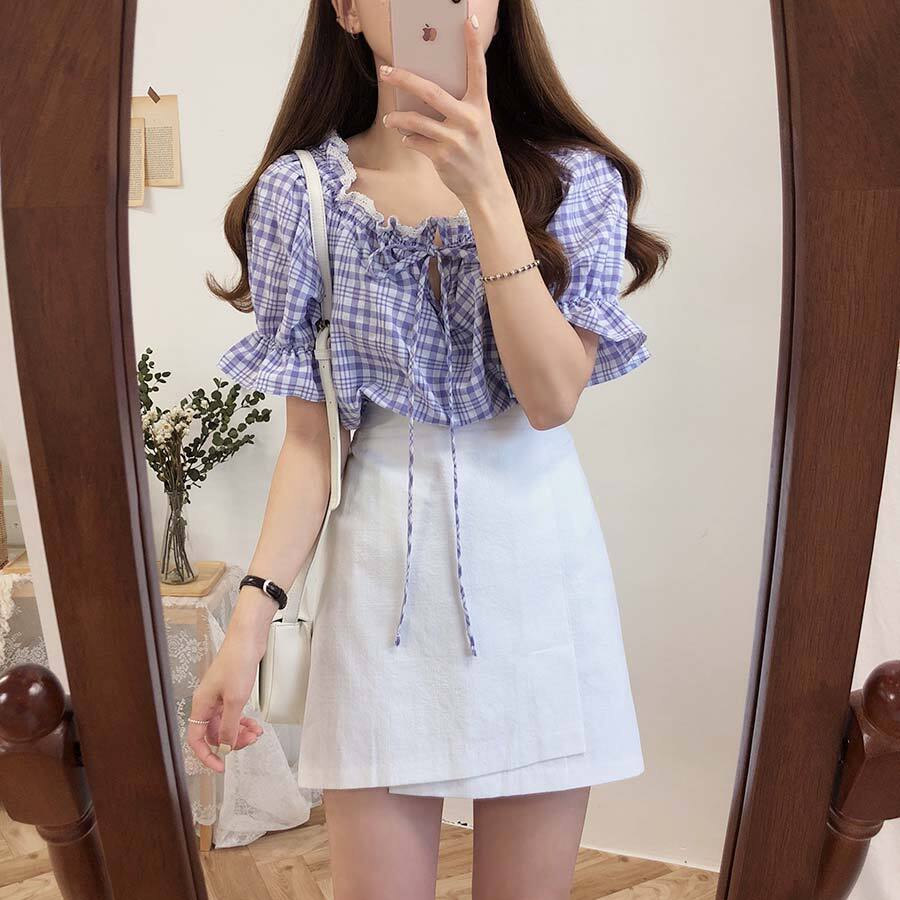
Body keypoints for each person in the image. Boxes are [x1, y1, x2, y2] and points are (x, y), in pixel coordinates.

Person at [191, 1, 668, 897]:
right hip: (378, 585)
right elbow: (311, 445)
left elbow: (550, 397)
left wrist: (487, 192)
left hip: (537, 572)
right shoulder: (302, 196)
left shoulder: (575, 181)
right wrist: (248, 625)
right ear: (347, 8)